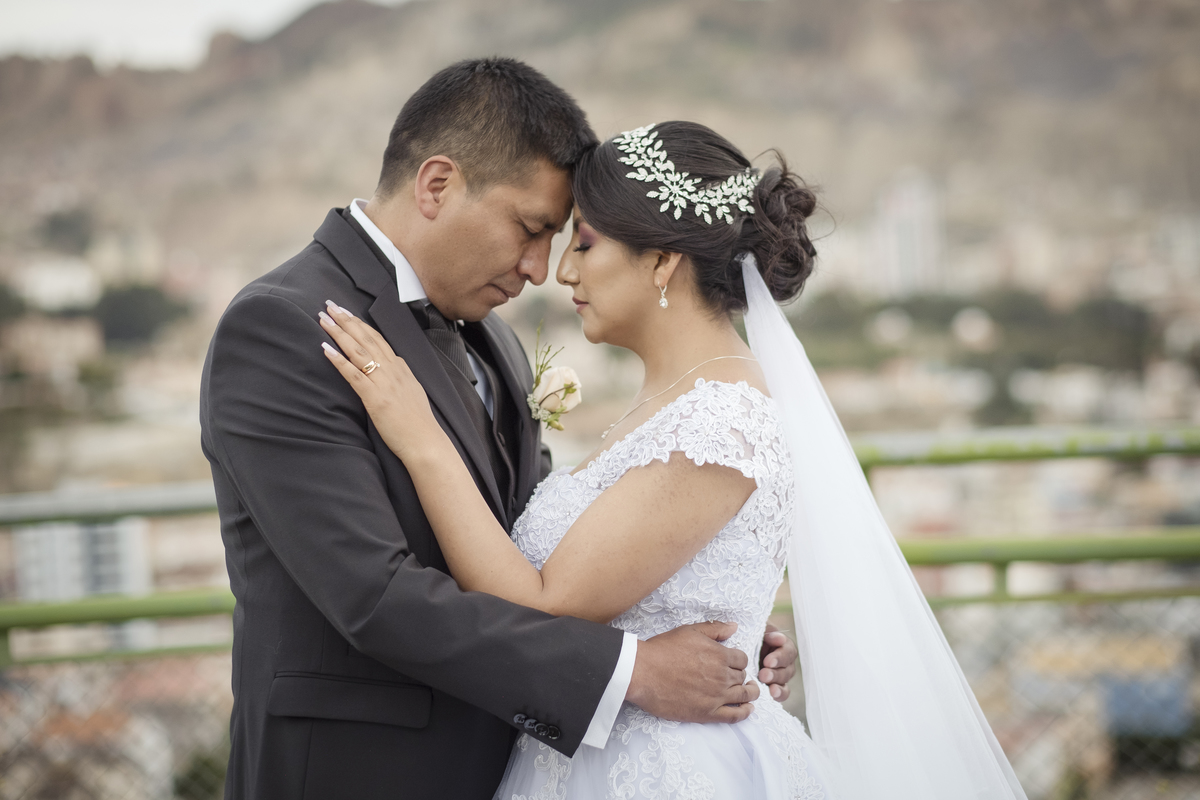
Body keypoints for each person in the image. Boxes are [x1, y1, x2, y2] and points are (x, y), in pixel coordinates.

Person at [321, 120, 1030, 799]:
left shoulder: (720, 418)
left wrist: (418, 436)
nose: (560, 270)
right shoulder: (670, 403)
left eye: (586, 245)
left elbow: (540, 604)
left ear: (662, 259)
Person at [199, 60, 797, 800]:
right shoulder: (288, 327)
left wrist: (710, 618)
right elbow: (373, 596)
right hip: (359, 773)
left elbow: (529, 540)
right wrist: (631, 670)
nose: (540, 269)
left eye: (565, 240)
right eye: (531, 229)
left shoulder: (498, 343)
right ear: (437, 184)